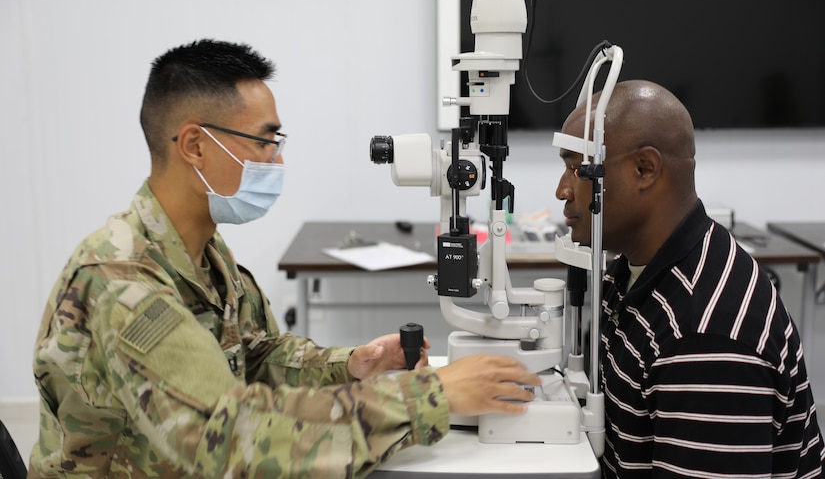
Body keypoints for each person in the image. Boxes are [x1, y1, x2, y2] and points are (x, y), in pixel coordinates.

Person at [30, 39, 541, 478]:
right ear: (193, 145)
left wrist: (353, 365)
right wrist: (434, 395)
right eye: (263, 141)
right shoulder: (122, 282)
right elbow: (231, 437)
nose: (277, 160)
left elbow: (251, 357)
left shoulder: (205, 254)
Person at [555, 79, 824, 477]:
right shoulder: (631, 271)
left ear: (645, 169)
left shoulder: (706, 338)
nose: (562, 190)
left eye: (578, 169)